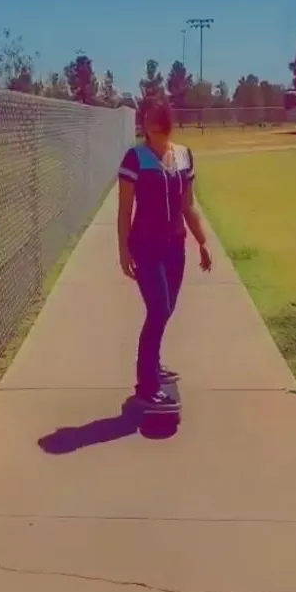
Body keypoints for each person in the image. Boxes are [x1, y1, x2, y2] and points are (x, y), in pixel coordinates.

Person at [117, 96, 212, 411]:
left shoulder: (184, 156)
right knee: (158, 310)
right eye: (146, 118)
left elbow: (188, 206)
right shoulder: (135, 158)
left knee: (166, 309)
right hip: (145, 247)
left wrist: (202, 241)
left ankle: (153, 364)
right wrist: (123, 249)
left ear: (166, 121)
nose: (149, 123)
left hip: (175, 247)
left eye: (154, 117)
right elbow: (125, 210)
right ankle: (146, 385)